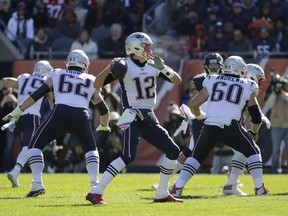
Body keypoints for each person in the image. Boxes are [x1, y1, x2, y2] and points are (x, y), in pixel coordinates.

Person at [86, 32, 183, 204]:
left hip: (148, 116)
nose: (149, 50)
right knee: (128, 156)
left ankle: (161, 193)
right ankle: (96, 191)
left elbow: (177, 80)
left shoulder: (154, 65)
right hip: (131, 115)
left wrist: (163, 68)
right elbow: (96, 84)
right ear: (135, 47)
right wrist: (109, 67)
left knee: (173, 151)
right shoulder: (123, 65)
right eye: (146, 46)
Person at [3, 49, 110, 197]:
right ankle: (95, 185)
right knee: (91, 150)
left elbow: (36, 95)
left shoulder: (57, 73)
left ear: (69, 62)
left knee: (34, 146)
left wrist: (17, 111)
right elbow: (103, 109)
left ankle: (37, 184)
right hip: (81, 116)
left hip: (59, 114)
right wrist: (104, 125)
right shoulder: (91, 79)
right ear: (84, 64)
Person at [170, 56, 270, 198]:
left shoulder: (213, 79)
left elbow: (193, 104)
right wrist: (253, 133)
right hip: (231, 126)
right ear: (241, 70)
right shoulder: (248, 85)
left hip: (210, 125)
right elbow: (256, 117)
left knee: (196, 157)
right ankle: (259, 189)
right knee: (253, 152)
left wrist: (200, 116)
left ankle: (177, 187)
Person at [0, 60, 53, 187]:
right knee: (30, 147)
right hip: (32, 117)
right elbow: (52, 104)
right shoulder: (46, 82)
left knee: (16, 146)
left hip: (17, 117)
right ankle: (16, 171)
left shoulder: (24, 77)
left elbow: (5, 81)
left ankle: (16, 173)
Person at [171, 53, 224, 176]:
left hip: (221, 118)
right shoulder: (200, 80)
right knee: (191, 149)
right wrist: (190, 118)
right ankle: (167, 177)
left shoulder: (227, 79)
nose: (214, 68)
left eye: (216, 66)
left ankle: (233, 180)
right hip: (203, 117)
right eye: (211, 66)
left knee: (239, 147)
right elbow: (193, 102)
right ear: (206, 66)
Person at [222, 63, 271, 195]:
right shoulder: (244, 86)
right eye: (258, 79)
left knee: (243, 150)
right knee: (253, 150)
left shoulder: (236, 84)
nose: (260, 83)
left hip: (215, 123)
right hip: (219, 124)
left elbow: (252, 110)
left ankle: (231, 184)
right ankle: (259, 189)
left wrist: (260, 117)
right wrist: (255, 128)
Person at [264, 73, 288, 174]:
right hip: (276, 126)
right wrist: (274, 92)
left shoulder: (285, 95)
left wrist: (282, 93)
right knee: (275, 150)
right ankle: (275, 171)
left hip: (287, 126)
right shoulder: (273, 94)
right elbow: (269, 104)